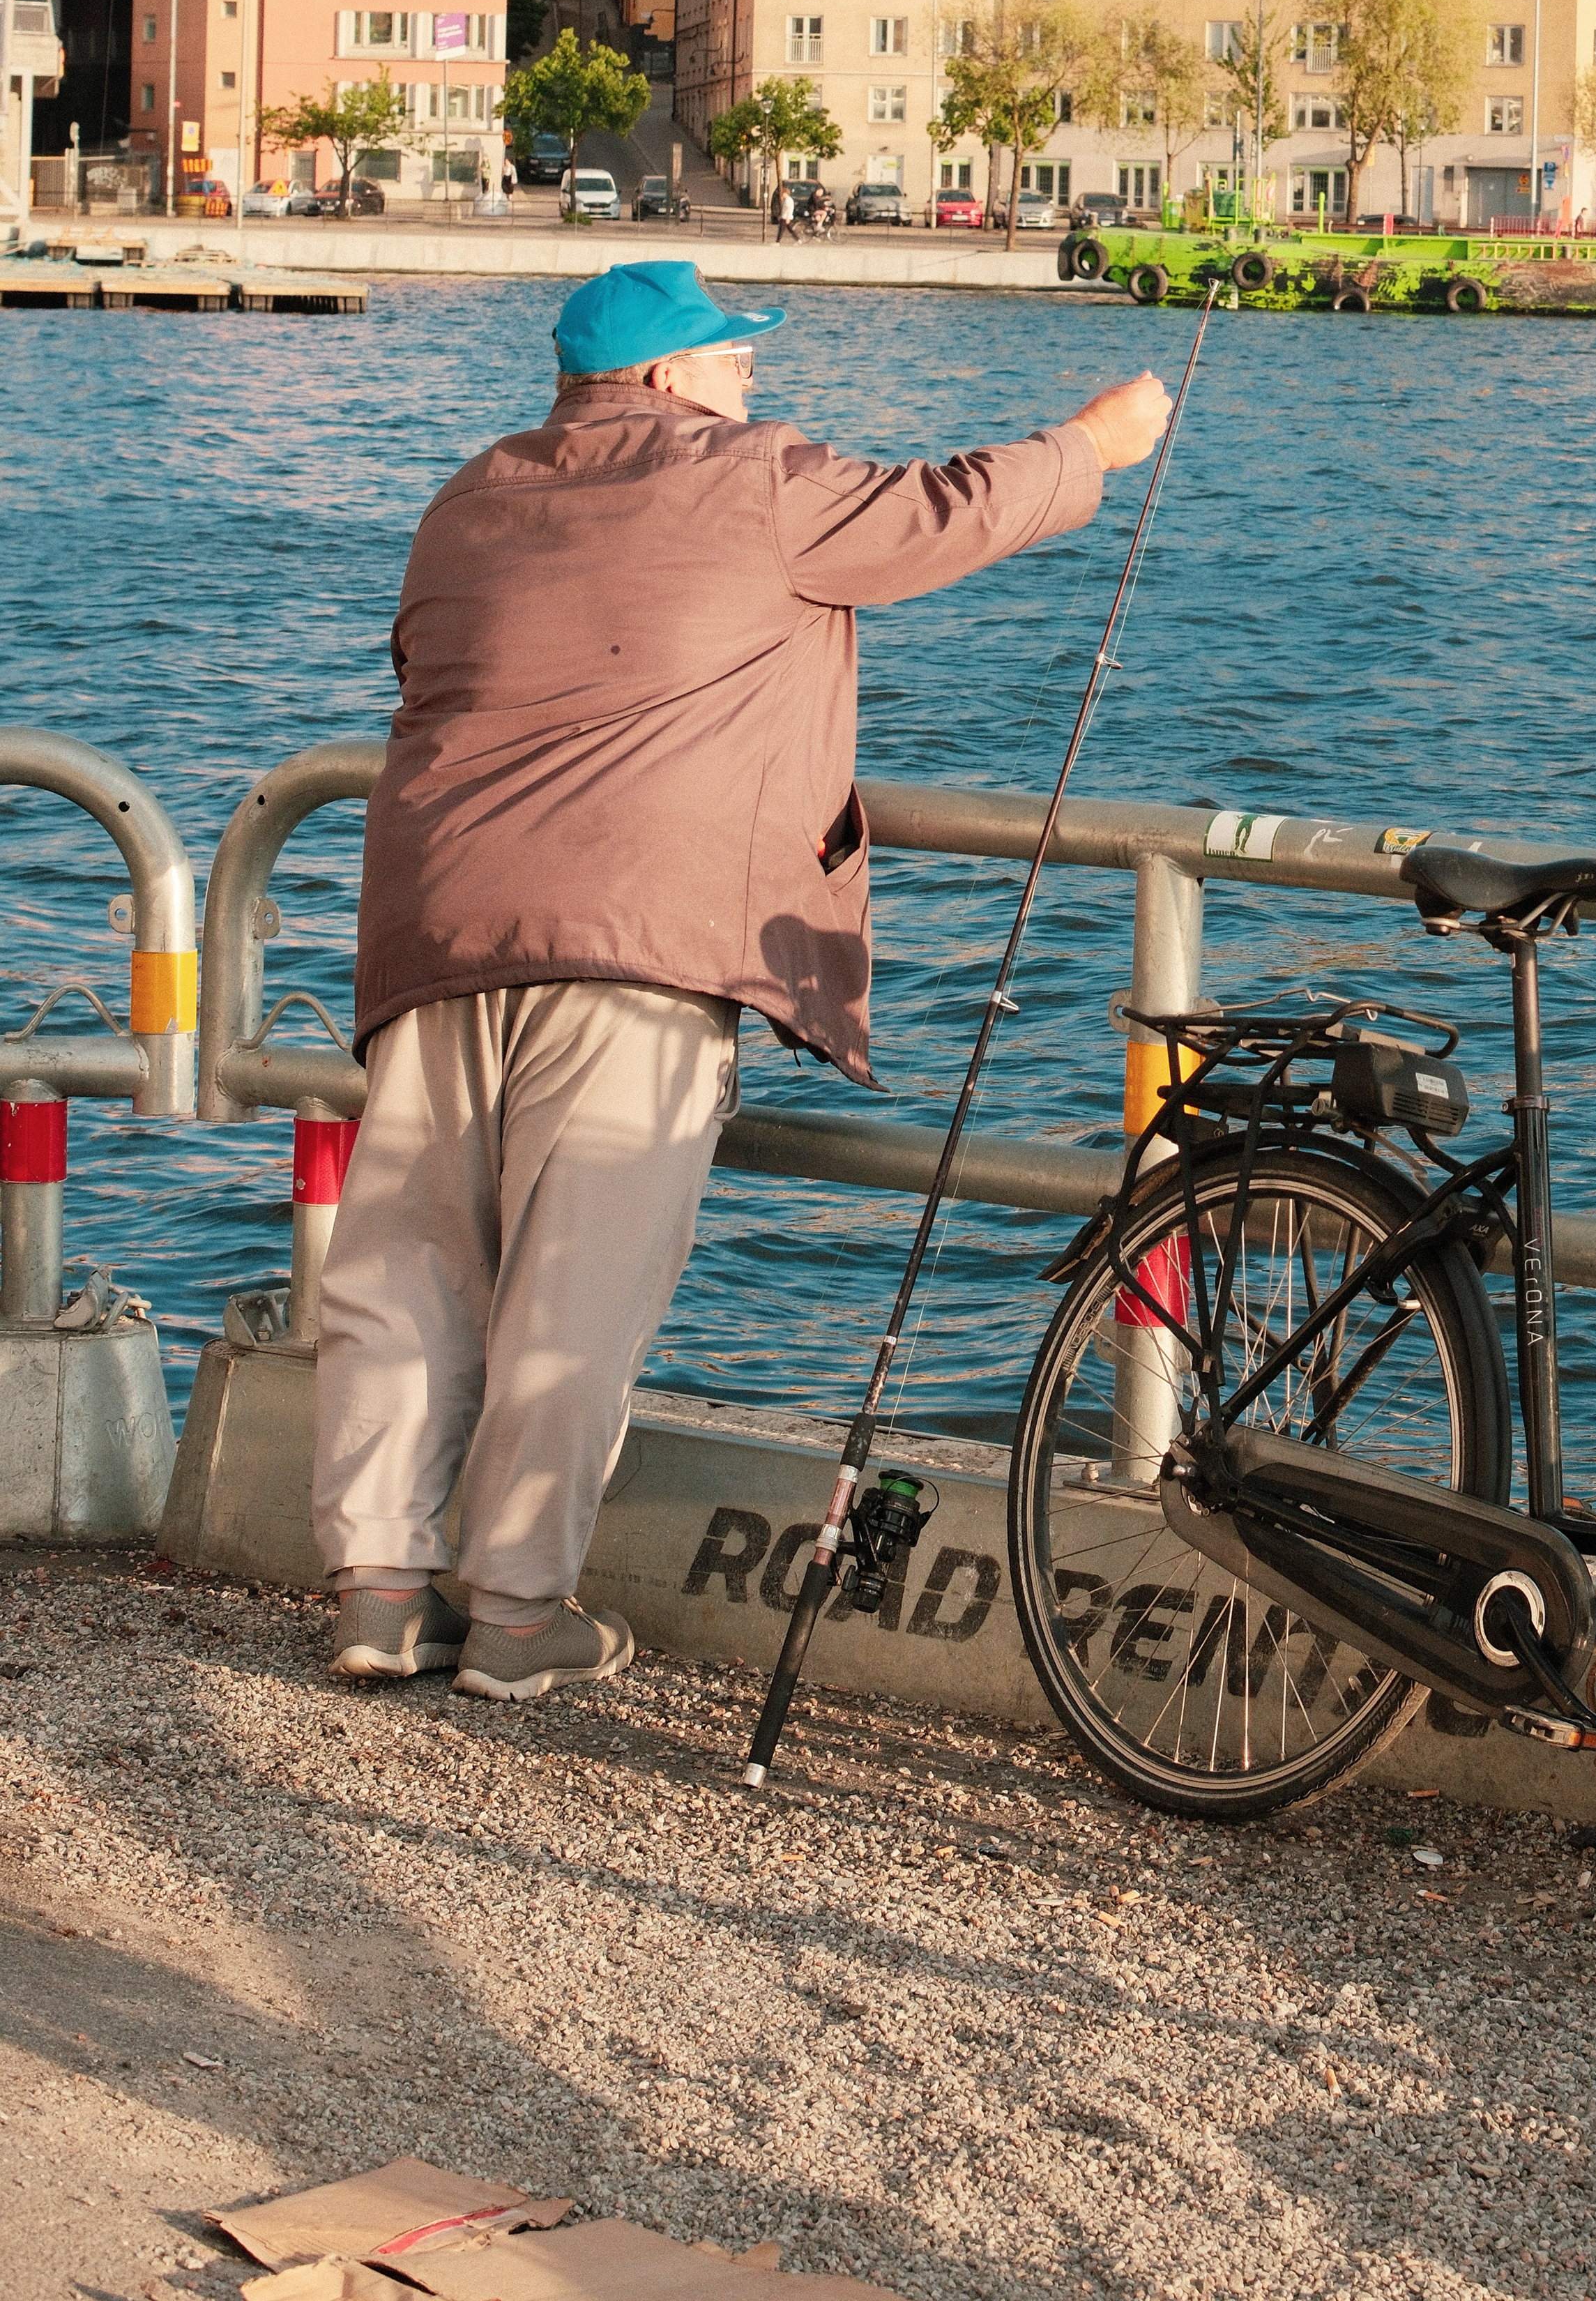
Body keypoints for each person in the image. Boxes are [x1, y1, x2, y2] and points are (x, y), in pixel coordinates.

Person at [312, 257, 1170, 1702]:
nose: (753, 374)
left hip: (441, 916)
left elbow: (422, 663)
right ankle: (517, 1612)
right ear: (660, 377)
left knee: (408, 1263)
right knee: (575, 1284)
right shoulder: (753, 479)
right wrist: (1090, 444)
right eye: (729, 352)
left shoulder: (470, 492)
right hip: (634, 937)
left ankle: (382, 1595)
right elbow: (940, 512)